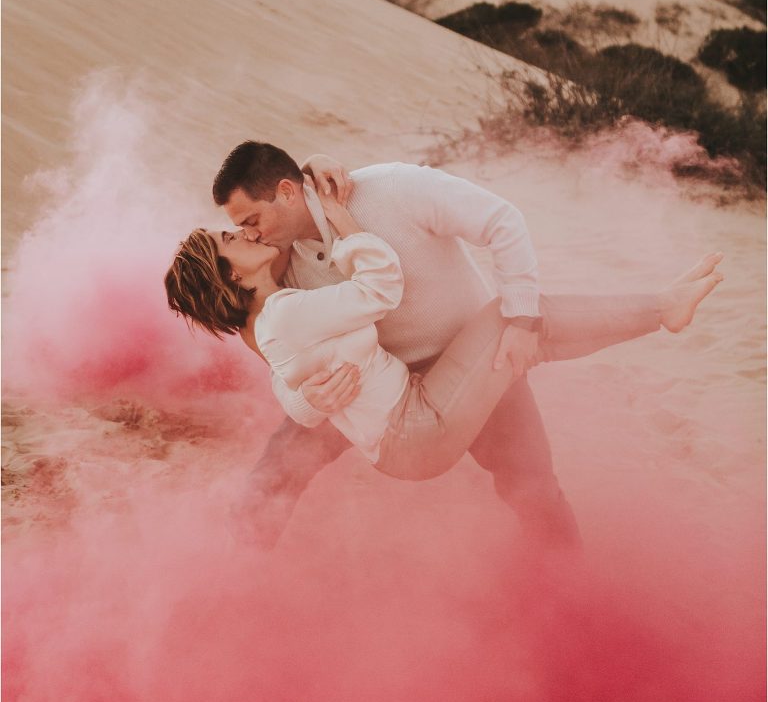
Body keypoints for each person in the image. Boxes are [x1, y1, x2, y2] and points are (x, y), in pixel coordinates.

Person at [165, 159, 723, 540]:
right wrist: (306, 399)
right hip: (387, 391)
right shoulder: (276, 268)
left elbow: (503, 222)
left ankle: (565, 593)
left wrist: (525, 320)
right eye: (239, 230)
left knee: (532, 487)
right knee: (278, 467)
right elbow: (272, 349)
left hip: (466, 360)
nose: (252, 235)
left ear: (287, 191)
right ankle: (238, 582)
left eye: (252, 221)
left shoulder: (390, 189)